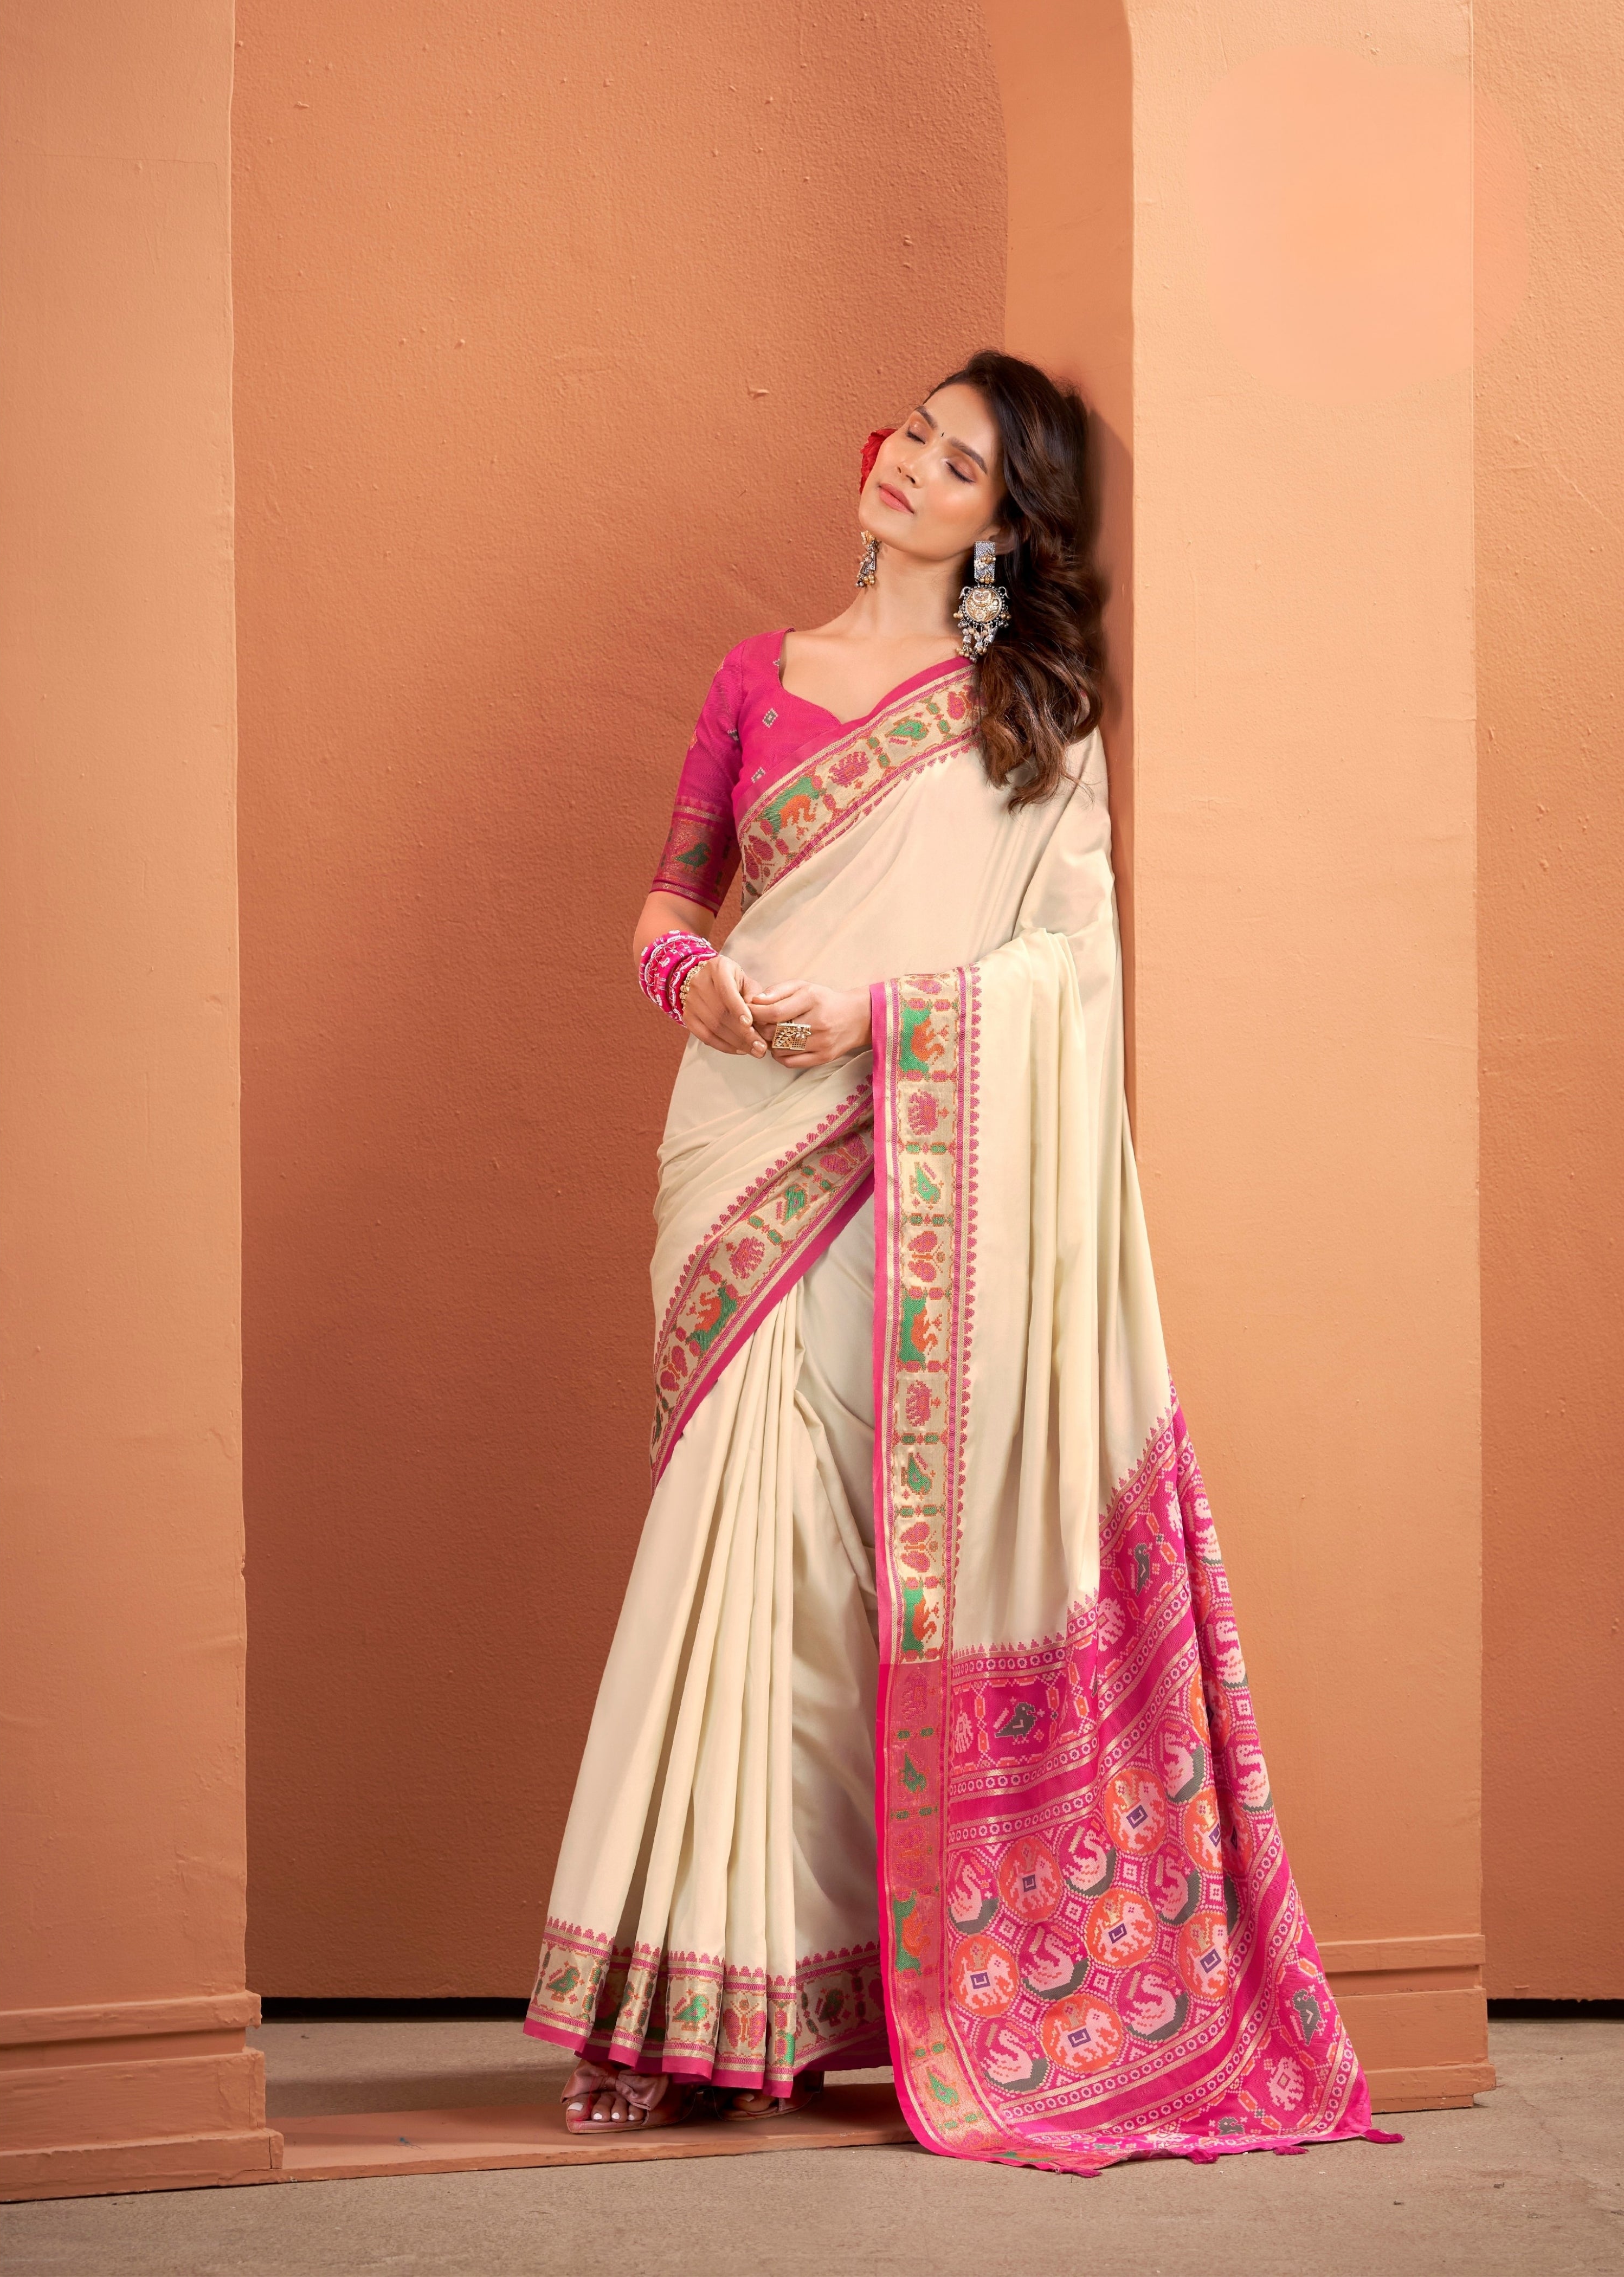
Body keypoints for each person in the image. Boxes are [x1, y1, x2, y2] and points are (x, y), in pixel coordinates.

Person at [524, 351, 1383, 2174]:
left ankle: (829, 1989)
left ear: (1008, 526)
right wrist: (699, 985)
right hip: (741, 1145)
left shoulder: (1026, 723)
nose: (914, 466)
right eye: (915, 432)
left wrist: (870, 1015)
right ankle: (698, 2010)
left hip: (899, 1138)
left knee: (852, 1566)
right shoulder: (756, 678)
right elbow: (673, 897)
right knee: (732, 1544)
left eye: (964, 463)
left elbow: (1068, 979)